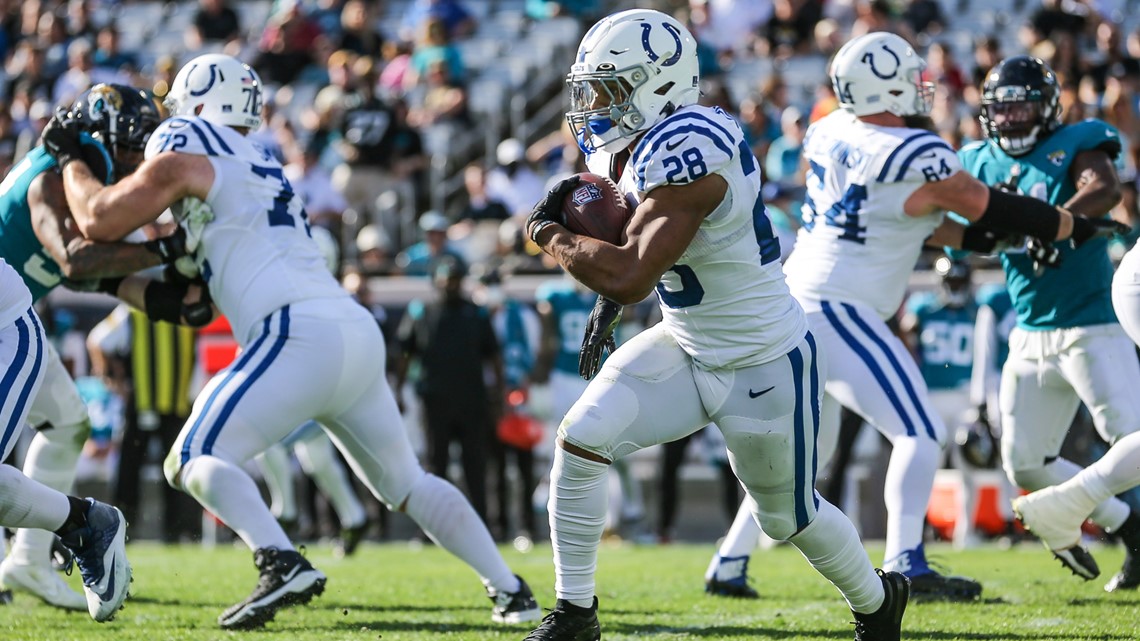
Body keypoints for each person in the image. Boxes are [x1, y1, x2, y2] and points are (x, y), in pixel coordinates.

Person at [48, 53, 541, 630]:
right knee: (407, 484)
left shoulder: (189, 138)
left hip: (293, 332)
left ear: (194, 107)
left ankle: (278, 558)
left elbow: (101, 220)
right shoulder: (262, 162)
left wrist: (70, 161)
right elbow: (195, 277)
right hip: (348, 331)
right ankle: (512, 592)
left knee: (189, 457)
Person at [522, 11, 911, 641]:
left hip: (762, 359)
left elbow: (631, 273)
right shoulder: (637, 143)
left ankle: (876, 601)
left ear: (658, 85)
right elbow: (637, 253)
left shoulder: (692, 149)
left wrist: (548, 233)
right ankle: (574, 614)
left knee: (788, 518)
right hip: (685, 340)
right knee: (581, 442)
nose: (594, 105)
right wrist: (607, 307)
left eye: (609, 88)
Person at [0, 83, 192, 610]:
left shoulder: (79, 183)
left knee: (68, 424)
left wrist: (169, 299)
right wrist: (169, 248)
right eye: (134, 146)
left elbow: (98, 275)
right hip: (8, 319)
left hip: (9, 323)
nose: (140, 162)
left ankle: (31, 559)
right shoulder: (50, 176)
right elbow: (77, 262)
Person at [951, 55, 1140, 592]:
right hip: (1029, 331)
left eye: (1022, 108)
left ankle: (1103, 515)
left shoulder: (1075, 142)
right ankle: (1132, 528)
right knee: (1026, 465)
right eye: (1001, 110)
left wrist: (1058, 224)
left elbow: (1104, 188)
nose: (1010, 120)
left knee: (1131, 438)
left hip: (1091, 323)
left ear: (1049, 108)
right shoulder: (977, 161)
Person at [0, 257, 131, 622]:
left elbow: (78, 245)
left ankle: (84, 525)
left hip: (6, 331)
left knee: (68, 423)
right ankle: (72, 529)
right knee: (68, 424)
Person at [532, 273, 645, 537]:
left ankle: (630, 514)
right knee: (564, 448)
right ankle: (560, 511)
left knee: (615, 451)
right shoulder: (554, 295)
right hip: (565, 377)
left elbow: (628, 326)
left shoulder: (608, 290)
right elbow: (547, 339)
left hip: (602, 377)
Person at [395, 257, 502, 524]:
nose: (450, 285)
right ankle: (434, 524)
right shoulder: (422, 311)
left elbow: (494, 357)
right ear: (437, 281)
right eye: (446, 279)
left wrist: (498, 395)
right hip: (435, 400)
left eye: (455, 280)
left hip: (471, 400)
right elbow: (405, 352)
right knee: (435, 463)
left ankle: (482, 522)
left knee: (474, 465)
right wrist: (398, 389)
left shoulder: (475, 312)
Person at [900, 257, 982, 549]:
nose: (956, 287)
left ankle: (966, 531)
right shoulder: (924, 308)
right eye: (952, 281)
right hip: (931, 395)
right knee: (924, 465)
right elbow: (905, 335)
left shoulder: (977, 311)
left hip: (964, 397)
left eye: (960, 281)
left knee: (968, 466)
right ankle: (918, 530)